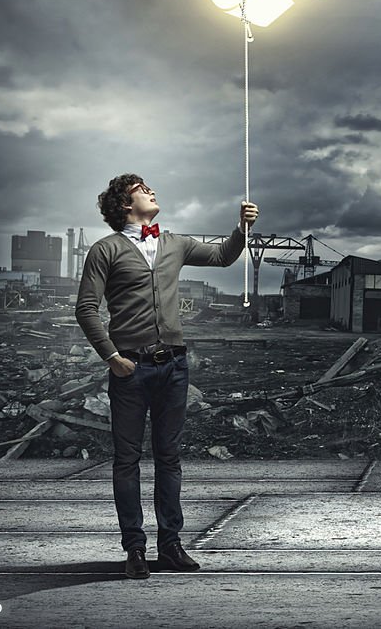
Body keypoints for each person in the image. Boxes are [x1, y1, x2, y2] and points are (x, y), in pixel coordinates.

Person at [75, 173, 259, 580]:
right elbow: (86, 309)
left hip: (174, 366)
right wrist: (112, 358)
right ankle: (135, 549)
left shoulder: (174, 242)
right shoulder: (105, 250)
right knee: (127, 460)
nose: (152, 191)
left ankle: (171, 546)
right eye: (143, 190)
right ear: (125, 204)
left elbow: (224, 256)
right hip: (130, 368)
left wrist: (243, 228)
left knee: (169, 457)